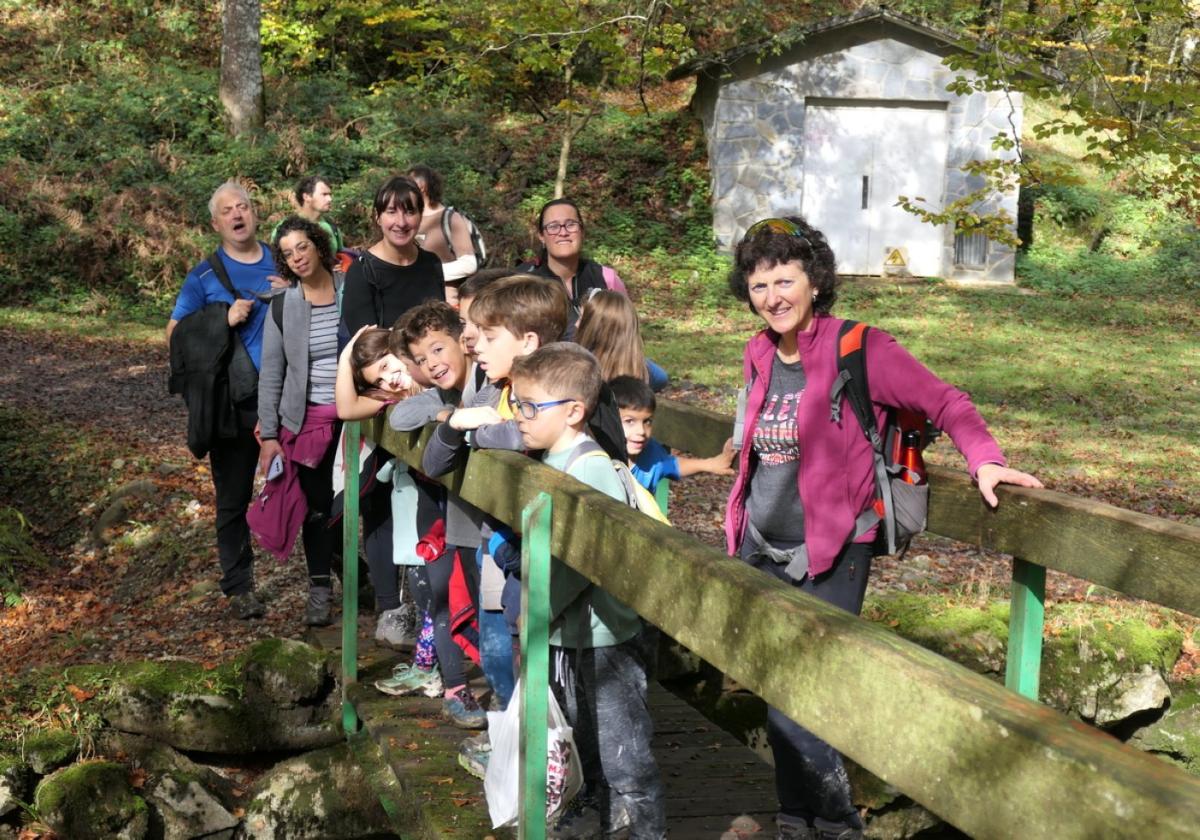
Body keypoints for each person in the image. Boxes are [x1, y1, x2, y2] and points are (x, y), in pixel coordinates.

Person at [723, 216, 1043, 840]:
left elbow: (947, 402)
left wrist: (987, 460)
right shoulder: (759, 351)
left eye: (784, 280)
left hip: (834, 551)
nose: (772, 298)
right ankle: (795, 820)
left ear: (814, 280)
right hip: (762, 548)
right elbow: (760, 452)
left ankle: (839, 825)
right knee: (776, 691)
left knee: (801, 706)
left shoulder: (859, 347)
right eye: (759, 286)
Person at [508, 342, 666, 840]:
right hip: (570, 635)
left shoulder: (590, 467)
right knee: (585, 745)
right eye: (517, 404)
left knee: (625, 756)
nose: (520, 417)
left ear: (574, 411)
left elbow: (584, 562)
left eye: (530, 406)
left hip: (604, 639)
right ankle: (599, 824)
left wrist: (536, 612)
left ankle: (643, 831)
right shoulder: (553, 458)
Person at [166, 181, 284, 620]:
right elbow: (174, 336)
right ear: (215, 223)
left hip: (288, 393)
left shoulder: (284, 259)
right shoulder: (202, 276)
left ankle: (332, 579)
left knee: (306, 487)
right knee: (233, 497)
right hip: (233, 402)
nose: (237, 215)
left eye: (244, 207)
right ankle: (239, 587)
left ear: (255, 214)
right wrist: (222, 318)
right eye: (227, 211)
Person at [339, 175, 445, 643]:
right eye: (391, 212)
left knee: (427, 493)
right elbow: (363, 339)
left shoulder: (431, 265)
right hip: (386, 387)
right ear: (378, 216)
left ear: (421, 214)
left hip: (427, 384)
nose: (401, 221)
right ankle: (389, 605)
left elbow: (439, 323)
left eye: (409, 211)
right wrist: (396, 383)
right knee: (378, 495)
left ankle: (431, 606)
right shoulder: (365, 270)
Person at [248, 216, 344, 626]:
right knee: (318, 510)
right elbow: (271, 373)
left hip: (358, 416)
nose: (297, 257)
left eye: (302, 247)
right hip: (305, 421)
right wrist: (269, 434)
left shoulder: (351, 290)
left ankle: (371, 580)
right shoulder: (284, 306)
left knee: (360, 504)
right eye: (288, 253)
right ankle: (320, 589)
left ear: (319, 246)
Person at [516, 198, 626, 338]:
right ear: (541, 236)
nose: (563, 232)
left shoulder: (606, 277)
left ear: (582, 231)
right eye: (553, 226)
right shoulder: (523, 281)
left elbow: (627, 335)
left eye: (571, 224)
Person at [609, 375, 734, 498]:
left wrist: (710, 464)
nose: (641, 431)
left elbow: (671, 465)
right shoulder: (599, 456)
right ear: (610, 419)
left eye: (647, 421)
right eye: (630, 421)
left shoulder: (651, 452)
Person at [575, 290, 669, 391]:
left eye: (581, 318)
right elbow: (662, 378)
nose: (576, 324)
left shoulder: (579, 367)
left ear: (597, 327)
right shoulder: (644, 370)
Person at [407, 164, 479, 285]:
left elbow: (469, 264)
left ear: (422, 186)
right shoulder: (407, 219)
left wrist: (429, 272)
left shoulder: (451, 218)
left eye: (408, 184)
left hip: (443, 299)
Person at [271, 175, 344, 252]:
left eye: (330, 194)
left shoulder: (331, 226)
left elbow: (340, 256)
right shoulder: (284, 230)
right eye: (324, 194)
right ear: (306, 197)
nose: (330, 199)